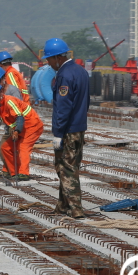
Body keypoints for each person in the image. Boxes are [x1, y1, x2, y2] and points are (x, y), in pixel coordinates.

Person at [43, 37, 90, 218]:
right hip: (79, 128)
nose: (48, 64)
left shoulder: (64, 75)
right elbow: (85, 102)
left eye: (48, 59)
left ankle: (76, 208)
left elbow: (63, 107)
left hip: (67, 131)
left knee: (65, 168)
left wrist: (58, 133)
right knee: (71, 165)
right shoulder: (81, 72)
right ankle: (62, 206)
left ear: (57, 58)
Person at [0, 81, 43, 180]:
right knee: (5, 148)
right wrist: (13, 131)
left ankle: (24, 173)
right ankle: (12, 171)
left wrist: (17, 131)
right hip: (21, 128)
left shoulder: (9, 101)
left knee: (23, 147)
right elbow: (9, 122)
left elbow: (19, 117)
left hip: (32, 126)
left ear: (1, 92)